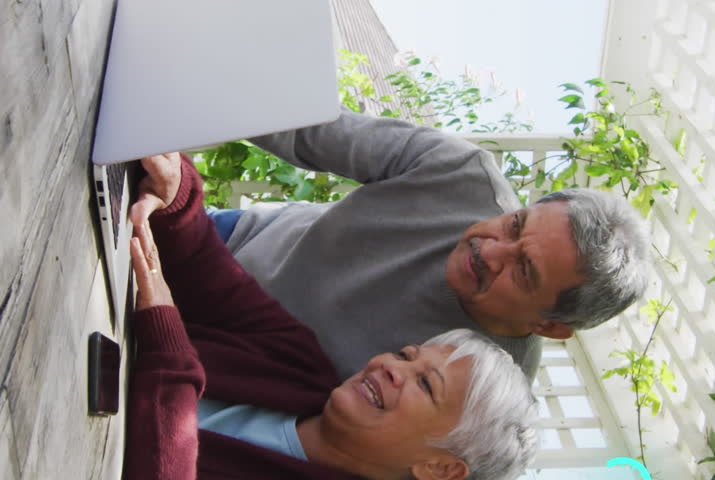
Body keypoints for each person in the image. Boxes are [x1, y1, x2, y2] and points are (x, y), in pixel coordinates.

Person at [124, 153, 538, 480]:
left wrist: (168, 351)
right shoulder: (298, 361)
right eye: (408, 356)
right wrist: (177, 197)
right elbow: (209, 273)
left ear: (440, 468)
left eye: (427, 385)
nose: (392, 368)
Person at [192, 109, 651, 380]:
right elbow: (301, 126)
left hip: (225, 373)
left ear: (549, 327)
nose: (489, 250)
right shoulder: (460, 173)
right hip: (225, 247)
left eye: (524, 271)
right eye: (514, 225)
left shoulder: (487, 386)